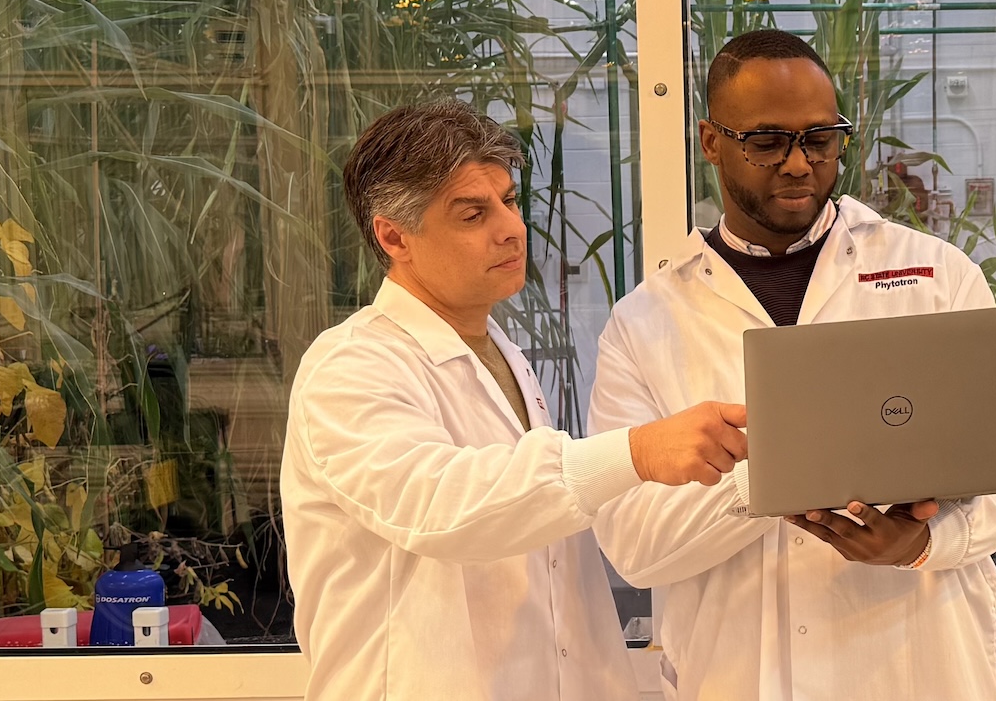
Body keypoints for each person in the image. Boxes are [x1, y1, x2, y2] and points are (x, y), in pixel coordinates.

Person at [589, 29, 996, 700]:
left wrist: (921, 545)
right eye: (768, 141)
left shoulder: (935, 276)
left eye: (821, 139)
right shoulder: (646, 323)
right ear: (711, 141)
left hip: (920, 667)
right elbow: (633, 544)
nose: (800, 164)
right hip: (741, 676)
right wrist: (765, 479)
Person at [280, 100, 749, 701]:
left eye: (506, 200)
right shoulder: (349, 366)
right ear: (394, 235)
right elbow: (441, 506)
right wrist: (637, 451)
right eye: (473, 213)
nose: (511, 227)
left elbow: (552, 575)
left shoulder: (505, 356)